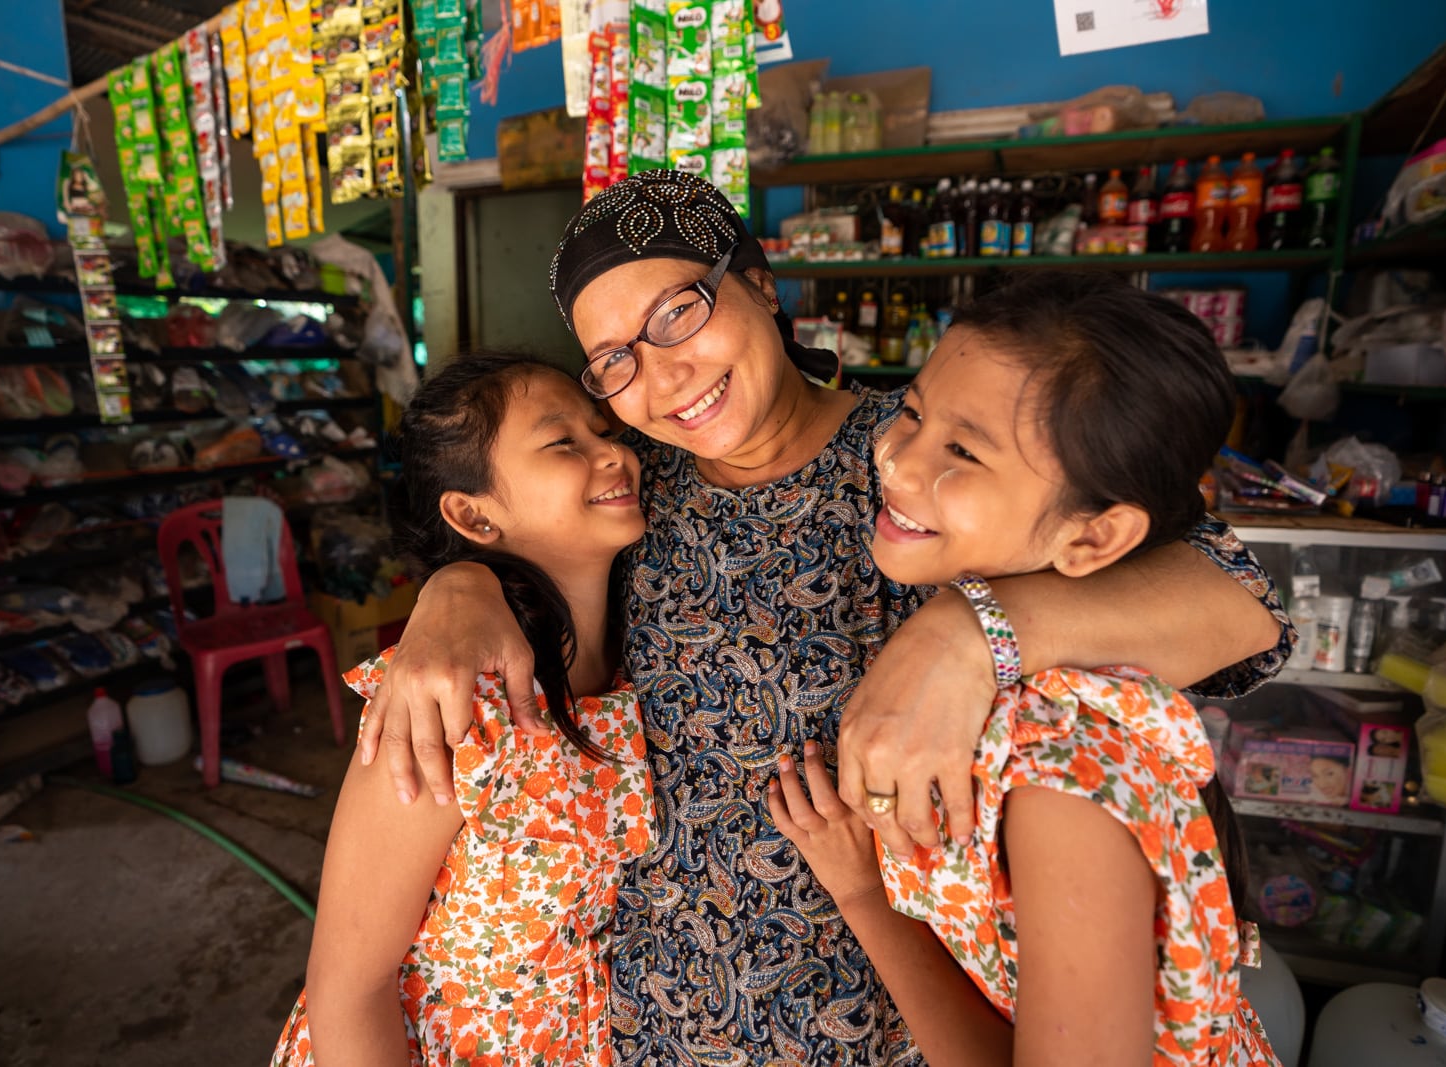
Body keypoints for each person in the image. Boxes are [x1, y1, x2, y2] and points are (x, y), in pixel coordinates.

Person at [360, 170, 1293, 1063]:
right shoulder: (629, 494)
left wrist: (972, 631)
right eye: (615, 359)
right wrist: (459, 587)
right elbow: (511, 554)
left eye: (677, 311)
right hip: (660, 1024)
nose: (663, 372)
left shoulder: (929, 468)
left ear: (761, 287)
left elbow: (1245, 603)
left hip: (909, 1028)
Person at [767, 272, 1278, 1066]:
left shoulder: (1062, 774)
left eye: (963, 450)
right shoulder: (1025, 676)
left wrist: (866, 897)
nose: (897, 460)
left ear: (1093, 537)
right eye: (910, 410)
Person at [271, 352, 654, 1066]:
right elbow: (347, 989)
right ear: (473, 513)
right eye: (564, 443)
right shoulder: (448, 699)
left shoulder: (646, 656)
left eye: (604, 431)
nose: (615, 454)